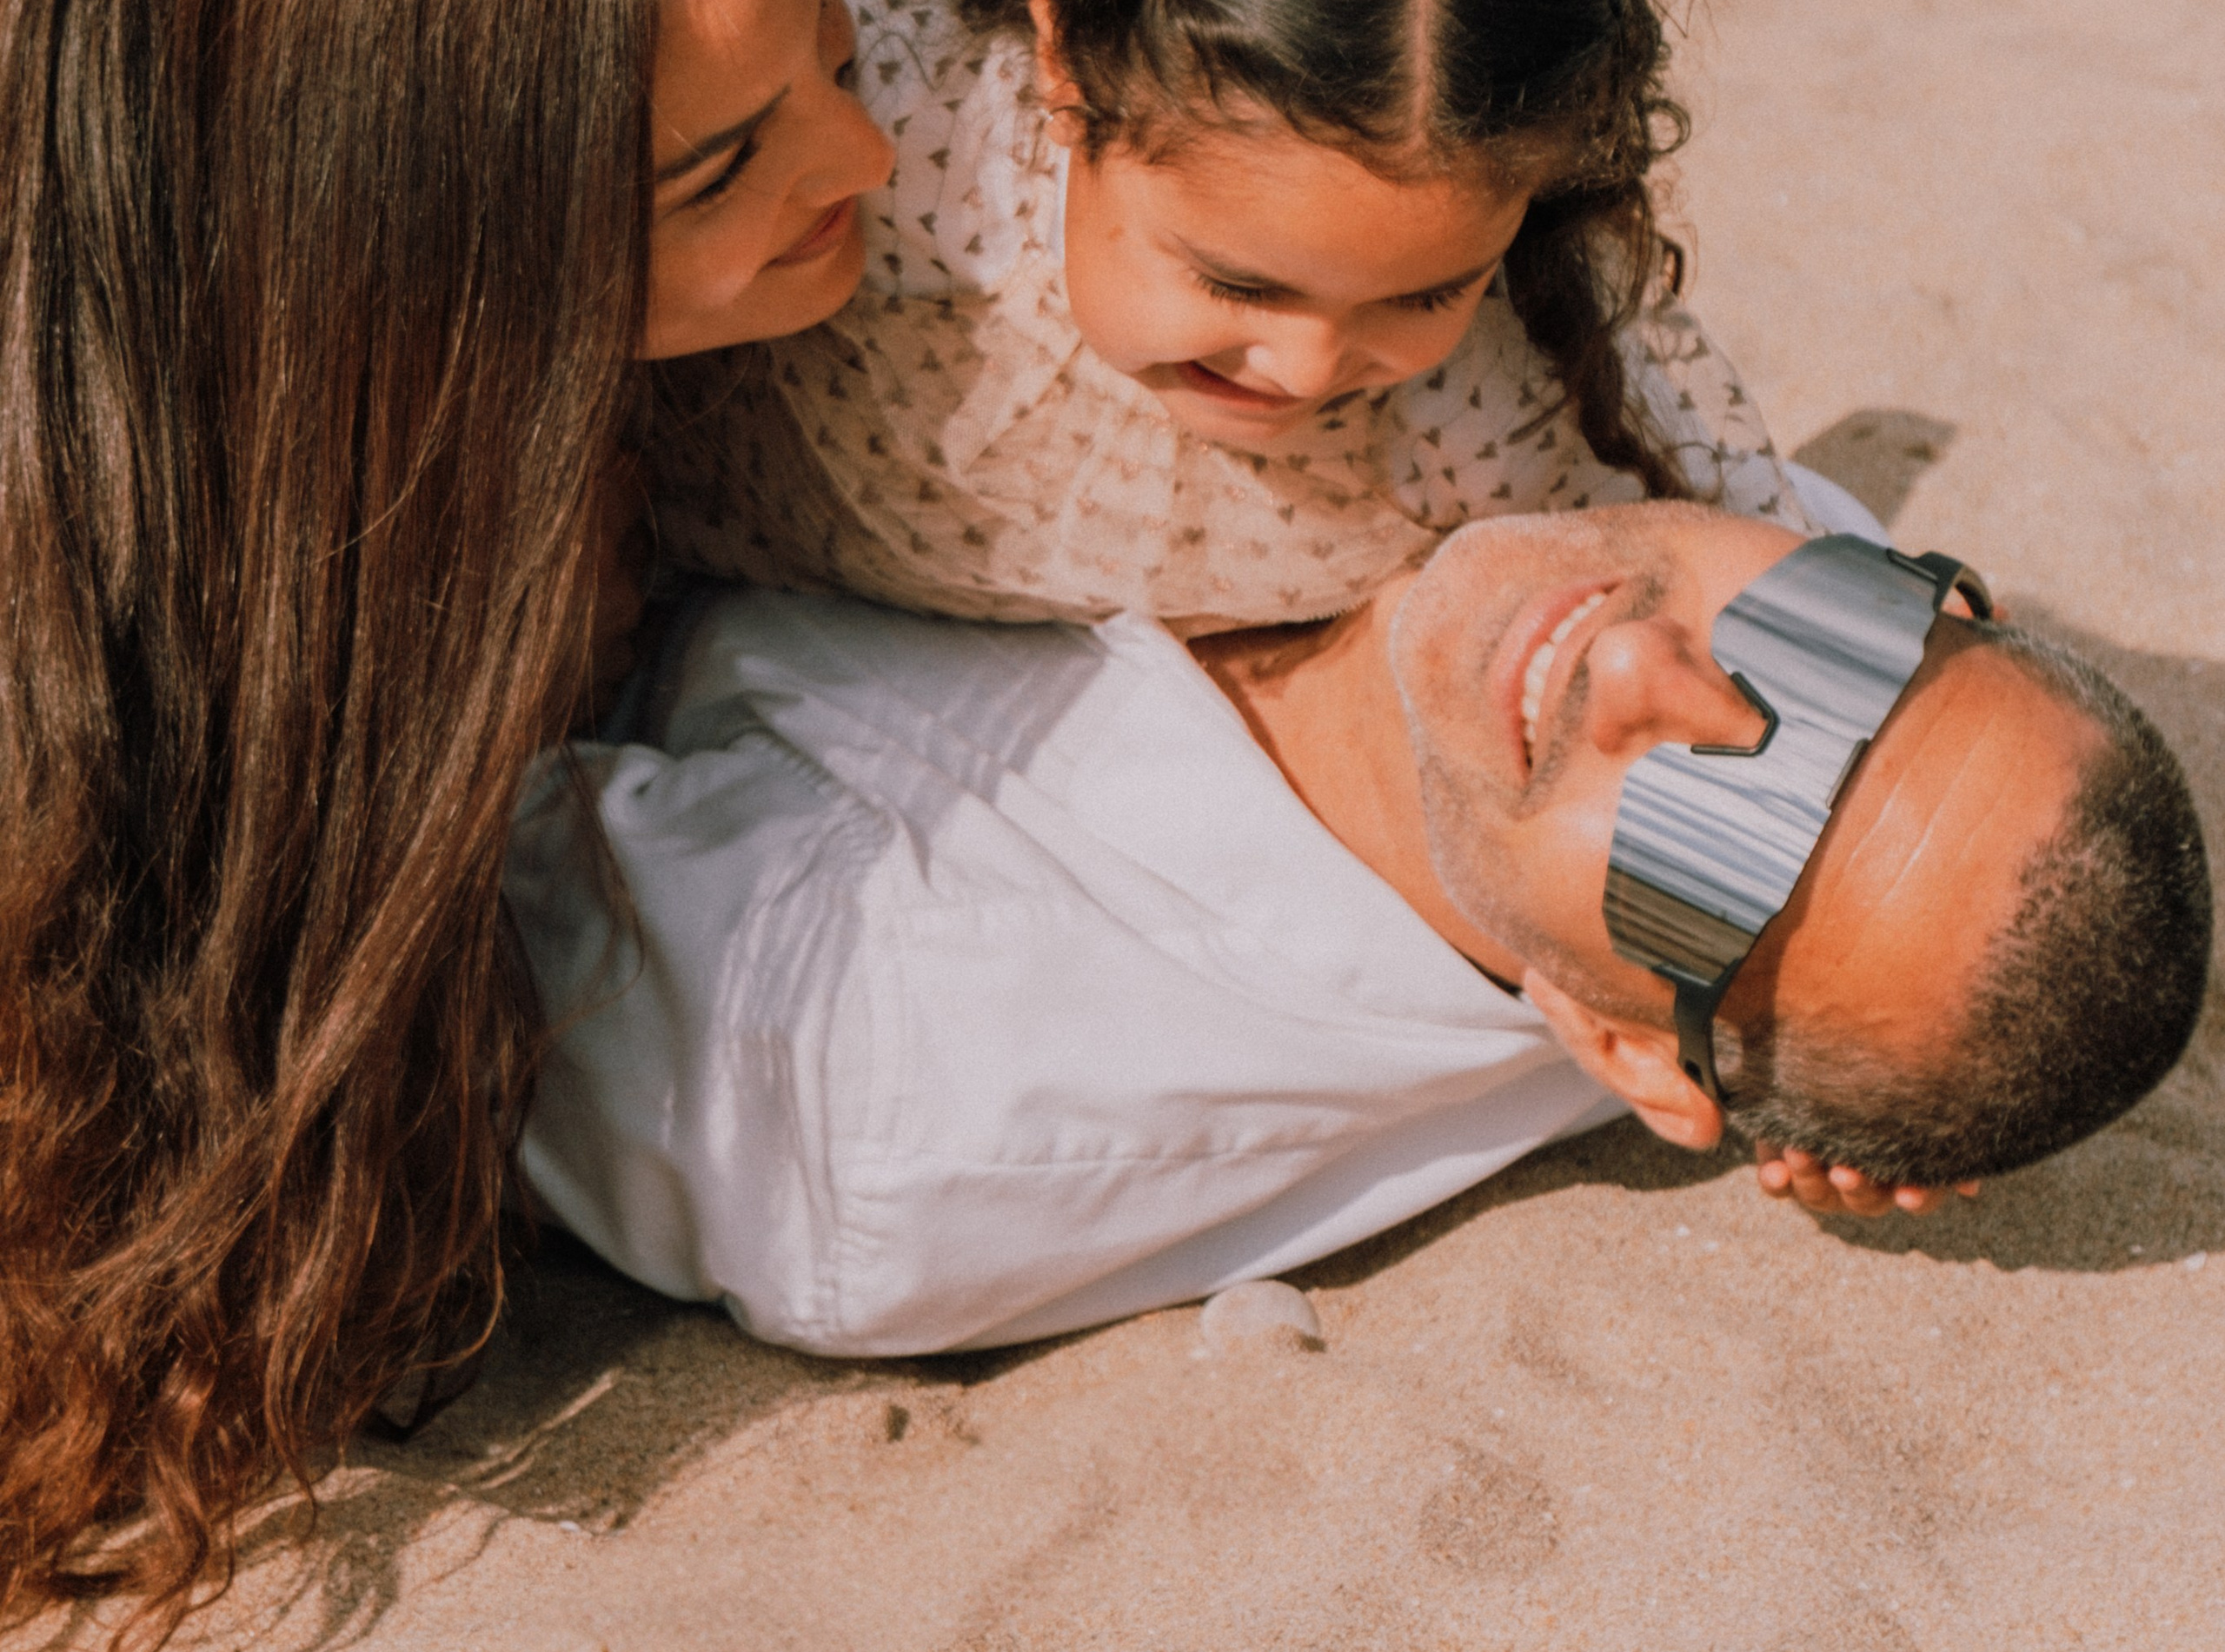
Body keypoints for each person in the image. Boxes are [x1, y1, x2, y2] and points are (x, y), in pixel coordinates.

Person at [0, 0, 890, 1634]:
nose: (875, 158)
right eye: (724, 163)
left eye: (832, 44)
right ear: (413, 278)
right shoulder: (140, 676)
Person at [507, 502, 2211, 1354]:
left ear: (1621, 1043)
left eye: (1720, 838)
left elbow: (342, 854)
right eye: (1836, 637)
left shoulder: (897, 1086)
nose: (1640, 664)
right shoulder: (1725, 518)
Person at [648, 0, 1811, 638]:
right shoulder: (902, 140)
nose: (1307, 371)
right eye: (1237, 281)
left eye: (1425, 292)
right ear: (1066, 73)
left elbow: (1746, 565)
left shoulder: (1515, 393)